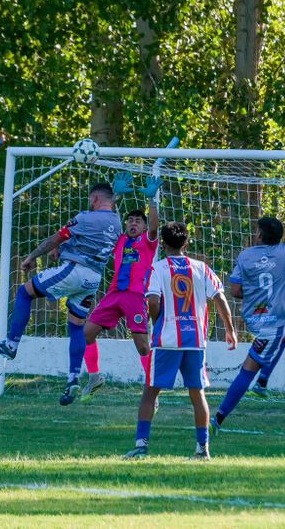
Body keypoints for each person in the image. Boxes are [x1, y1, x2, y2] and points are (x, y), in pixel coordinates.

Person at [0, 182, 122, 406]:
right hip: (93, 279)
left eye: (90, 199)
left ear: (95, 198)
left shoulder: (85, 217)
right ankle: (72, 379)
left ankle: (11, 345)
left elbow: (55, 239)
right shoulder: (116, 222)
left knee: (24, 293)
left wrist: (32, 256)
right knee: (76, 326)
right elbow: (83, 240)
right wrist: (65, 248)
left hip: (73, 271)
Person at [123, 222, 237, 461]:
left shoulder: (158, 269)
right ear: (186, 243)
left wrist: (158, 321)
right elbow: (219, 298)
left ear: (162, 244)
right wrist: (230, 329)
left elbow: (152, 302)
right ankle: (202, 449)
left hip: (167, 340)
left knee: (150, 392)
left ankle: (141, 446)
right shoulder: (201, 268)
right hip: (195, 340)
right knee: (197, 394)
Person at [211, 216, 285, 433]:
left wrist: (256, 292)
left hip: (254, 319)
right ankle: (219, 418)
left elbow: (236, 292)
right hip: (273, 325)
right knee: (248, 371)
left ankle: (262, 382)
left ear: (259, 235)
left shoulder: (246, 256)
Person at [80, 172, 161, 401]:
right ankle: (94, 377)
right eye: (130, 220)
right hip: (114, 294)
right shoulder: (120, 239)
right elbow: (107, 218)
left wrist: (153, 200)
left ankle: (152, 391)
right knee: (86, 333)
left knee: (143, 347)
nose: (133, 223)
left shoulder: (147, 242)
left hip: (135, 296)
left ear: (144, 227)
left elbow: (155, 226)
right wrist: (115, 195)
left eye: (138, 221)